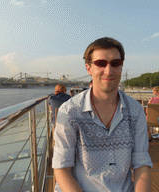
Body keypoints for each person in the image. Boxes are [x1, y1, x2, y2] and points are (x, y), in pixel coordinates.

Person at [53, 37, 152, 192]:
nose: (109, 70)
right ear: (88, 68)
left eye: (115, 63)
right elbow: (61, 168)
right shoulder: (70, 112)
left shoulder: (136, 110)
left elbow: (142, 164)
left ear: (121, 66)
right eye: (100, 63)